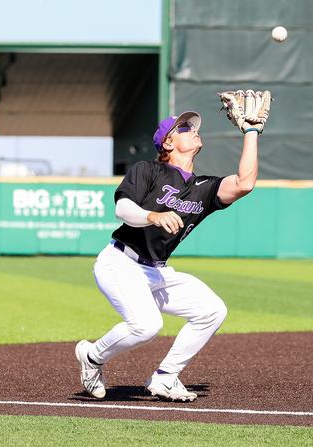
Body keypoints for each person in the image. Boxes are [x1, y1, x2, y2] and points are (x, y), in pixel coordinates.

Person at [75, 109, 262, 401]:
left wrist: (251, 132)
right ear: (168, 142)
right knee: (147, 325)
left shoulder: (203, 188)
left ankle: (165, 377)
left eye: (193, 127)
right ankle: (92, 356)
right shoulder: (148, 170)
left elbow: (244, 183)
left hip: (157, 270)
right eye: (184, 128)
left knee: (212, 310)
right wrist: (152, 215)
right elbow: (122, 208)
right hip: (120, 262)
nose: (193, 130)